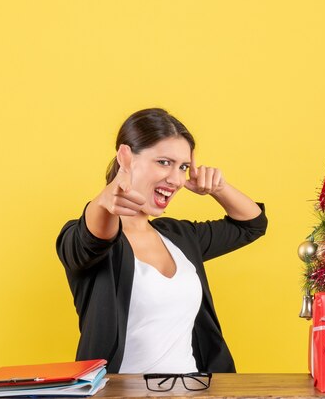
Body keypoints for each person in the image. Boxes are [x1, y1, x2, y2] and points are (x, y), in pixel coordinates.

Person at [56, 108, 267, 374]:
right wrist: (104, 202)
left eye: (184, 167)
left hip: (194, 390)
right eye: (164, 162)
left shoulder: (179, 237)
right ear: (126, 157)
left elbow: (252, 225)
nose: (177, 180)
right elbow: (92, 239)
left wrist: (218, 188)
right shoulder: (88, 239)